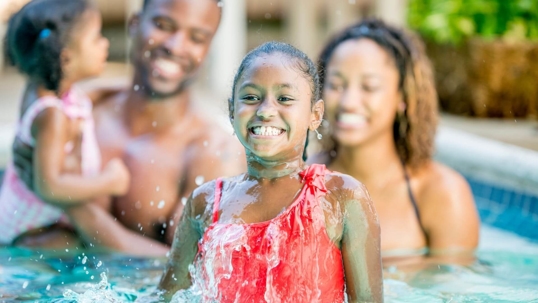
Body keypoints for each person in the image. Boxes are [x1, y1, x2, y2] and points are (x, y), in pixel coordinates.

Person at [11, 0, 246, 255]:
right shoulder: (73, 112)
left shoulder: (213, 154)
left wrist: (65, 198)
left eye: (197, 38)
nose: (175, 46)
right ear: (134, 24)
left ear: (209, 48)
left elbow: (195, 272)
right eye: (162, 25)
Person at [155, 41, 383, 302]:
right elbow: (165, 297)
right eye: (251, 98)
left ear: (315, 114)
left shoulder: (341, 198)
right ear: (231, 111)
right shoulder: (206, 203)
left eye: (284, 99)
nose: (265, 111)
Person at [316, 19, 479, 265]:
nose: (348, 101)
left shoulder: (442, 194)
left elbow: (457, 291)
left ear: (402, 96)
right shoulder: (300, 182)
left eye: (369, 87)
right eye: (336, 85)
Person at [0, 0, 130, 247]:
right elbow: (49, 186)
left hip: (36, 219)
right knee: (80, 246)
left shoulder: (47, 89)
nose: (105, 43)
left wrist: (126, 89)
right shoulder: (52, 117)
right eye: (96, 38)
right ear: (67, 59)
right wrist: (110, 181)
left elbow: (88, 95)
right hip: (28, 232)